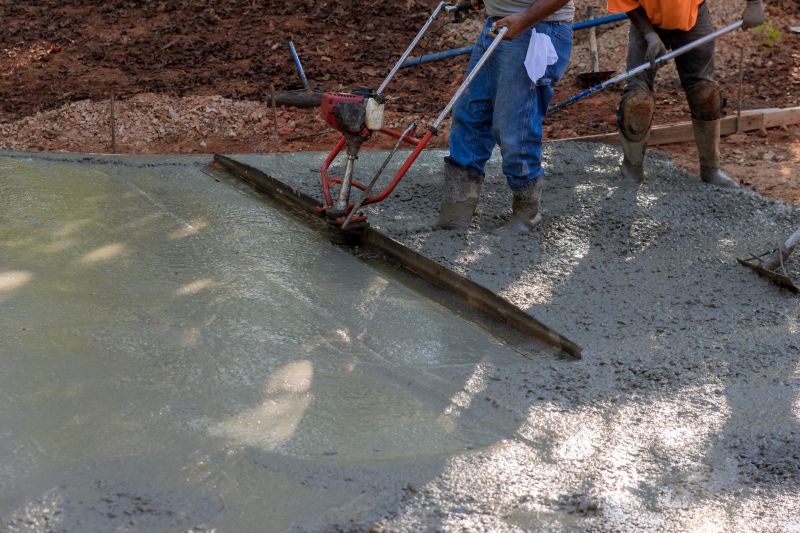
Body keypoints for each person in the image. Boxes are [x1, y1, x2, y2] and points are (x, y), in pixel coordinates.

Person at [438, 0, 575, 233]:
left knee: (514, 124)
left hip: (537, 28)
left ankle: (526, 214)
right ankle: (456, 211)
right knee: (470, 114)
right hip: (498, 25)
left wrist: (524, 20)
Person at [608, 0, 764, 185]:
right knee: (637, 101)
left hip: (693, 16)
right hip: (646, 20)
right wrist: (649, 34)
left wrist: (754, 4)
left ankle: (711, 169)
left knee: (705, 94)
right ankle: (632, 170)